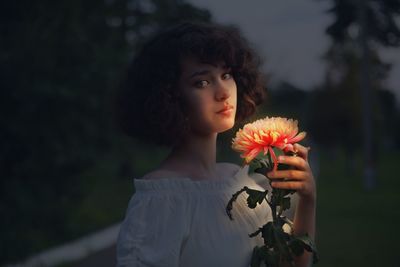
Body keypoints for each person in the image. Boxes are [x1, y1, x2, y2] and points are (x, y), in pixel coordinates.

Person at [115, 21, 316, 267]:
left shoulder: (241, 181)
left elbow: (291, 265)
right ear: (169, 96)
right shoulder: (162, 199)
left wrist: (307, 199)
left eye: (226, 75)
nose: (223, 91)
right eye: (202, 82)